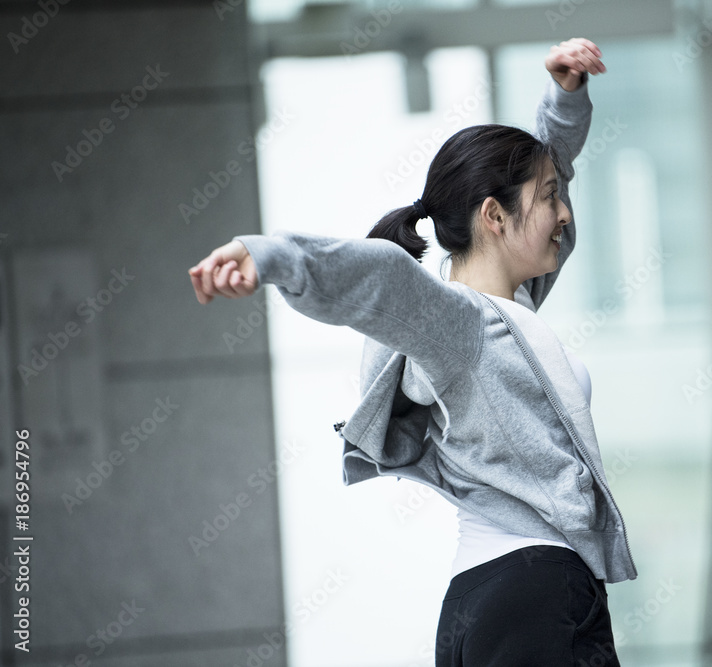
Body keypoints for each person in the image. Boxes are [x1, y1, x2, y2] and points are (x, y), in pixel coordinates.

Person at [188, 37, 637, 666]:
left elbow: (551, 159)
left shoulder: (513, 307)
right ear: (493, 216)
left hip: (495, 595)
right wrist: (272, 256)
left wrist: (564, 96)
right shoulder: (461, 323)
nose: (564, 212)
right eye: (549, 197)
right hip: (535, 592)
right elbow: (384, 278)